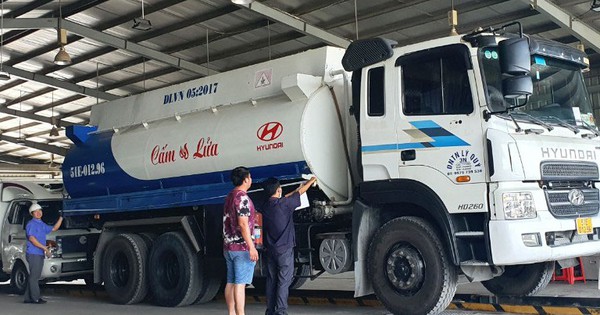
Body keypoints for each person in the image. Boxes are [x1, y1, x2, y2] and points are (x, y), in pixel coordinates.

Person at [261, 175, 317, 315]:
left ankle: (270, 311)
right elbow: (300, 193)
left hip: (270, 250)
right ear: (278, 190)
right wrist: (311, 181)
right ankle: (281, 311)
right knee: (283, 281)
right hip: (284, 250)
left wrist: (297, 189)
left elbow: (289, 195)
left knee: (272, 280)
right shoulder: (284, 205)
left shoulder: (266, 207)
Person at [223, 166, 259, 315]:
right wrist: (251, 247)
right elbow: (243, 224)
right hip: (242, 248)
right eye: (249, 177)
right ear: (245, 180)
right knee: (240, 283)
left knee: (231, 281)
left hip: (228, 247)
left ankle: (231, 313)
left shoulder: (230, 196)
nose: (251, 180)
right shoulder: (243, 198)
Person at [24, 203, 63, 304]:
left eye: (39, 210)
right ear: (32, 214)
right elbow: (32, 239)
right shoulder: (31, 224)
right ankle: (36, 298)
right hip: (33, 253)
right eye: (36, 211)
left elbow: (54, 229)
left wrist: (61, 218)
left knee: (33, 276)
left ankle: (28, 298)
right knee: (35, 277)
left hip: (38, 253)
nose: (38, 213)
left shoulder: (41, 224)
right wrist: (45, 249)